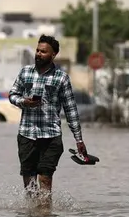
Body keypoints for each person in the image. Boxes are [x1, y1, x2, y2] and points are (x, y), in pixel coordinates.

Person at [8, 35, 86, 204]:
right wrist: (24, 102)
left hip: (51, 137)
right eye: (37, 50)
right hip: (26, 135)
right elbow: (12, 95)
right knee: (29, 182)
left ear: (53, 55)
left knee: (45, 178)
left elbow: (71, 110)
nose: (38, 54)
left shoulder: (61, 78)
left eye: (43, 52)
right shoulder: (25, 72)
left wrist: (79, 140)